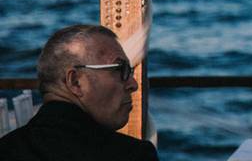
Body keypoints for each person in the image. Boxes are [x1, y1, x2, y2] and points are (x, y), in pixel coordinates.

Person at [0, 24, 158, 161]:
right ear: (75, 82)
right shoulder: (132, 155)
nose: (133, 84)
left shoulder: (7, 149)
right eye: (119, 70)